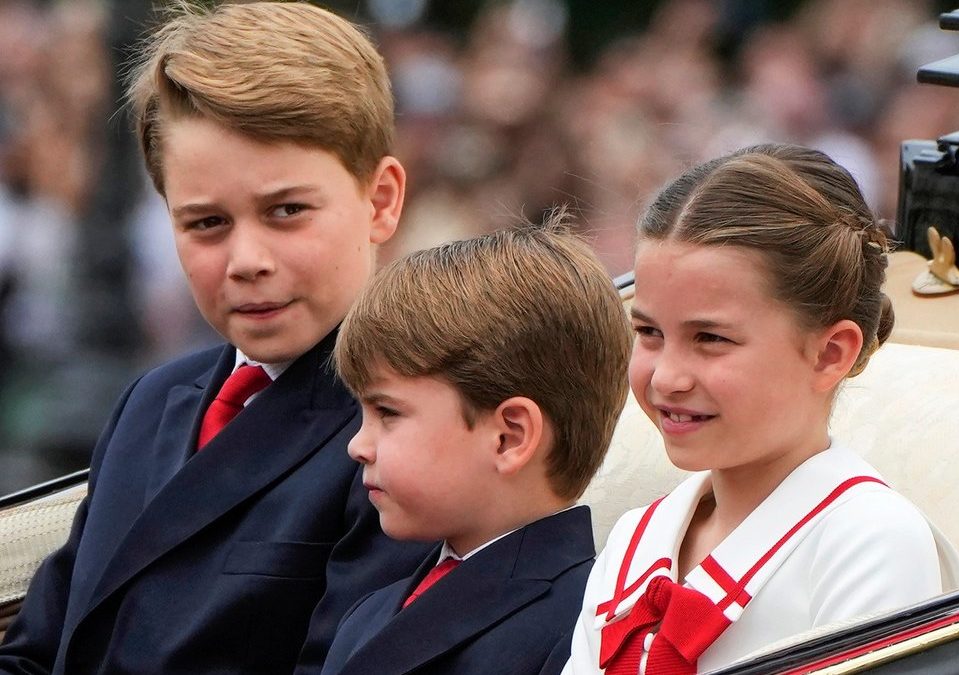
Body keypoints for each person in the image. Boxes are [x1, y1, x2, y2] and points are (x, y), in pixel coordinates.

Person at [0, 3, 433, 673]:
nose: (245, 258)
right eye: (205, 224)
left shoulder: (411, 427)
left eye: (286, 211)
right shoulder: (154, 399)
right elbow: (40, 649)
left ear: (380, 201)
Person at [562, 144, 959, 674]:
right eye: (649, 332)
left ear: (829, 353)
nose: (666, 377)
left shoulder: (870, 540)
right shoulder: (635, 540)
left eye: (710, 338)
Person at [320, 225, 633, 675]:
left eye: (388, 412)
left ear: (509, 437)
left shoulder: (587, 628)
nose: (357, 445)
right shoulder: (368, 612)